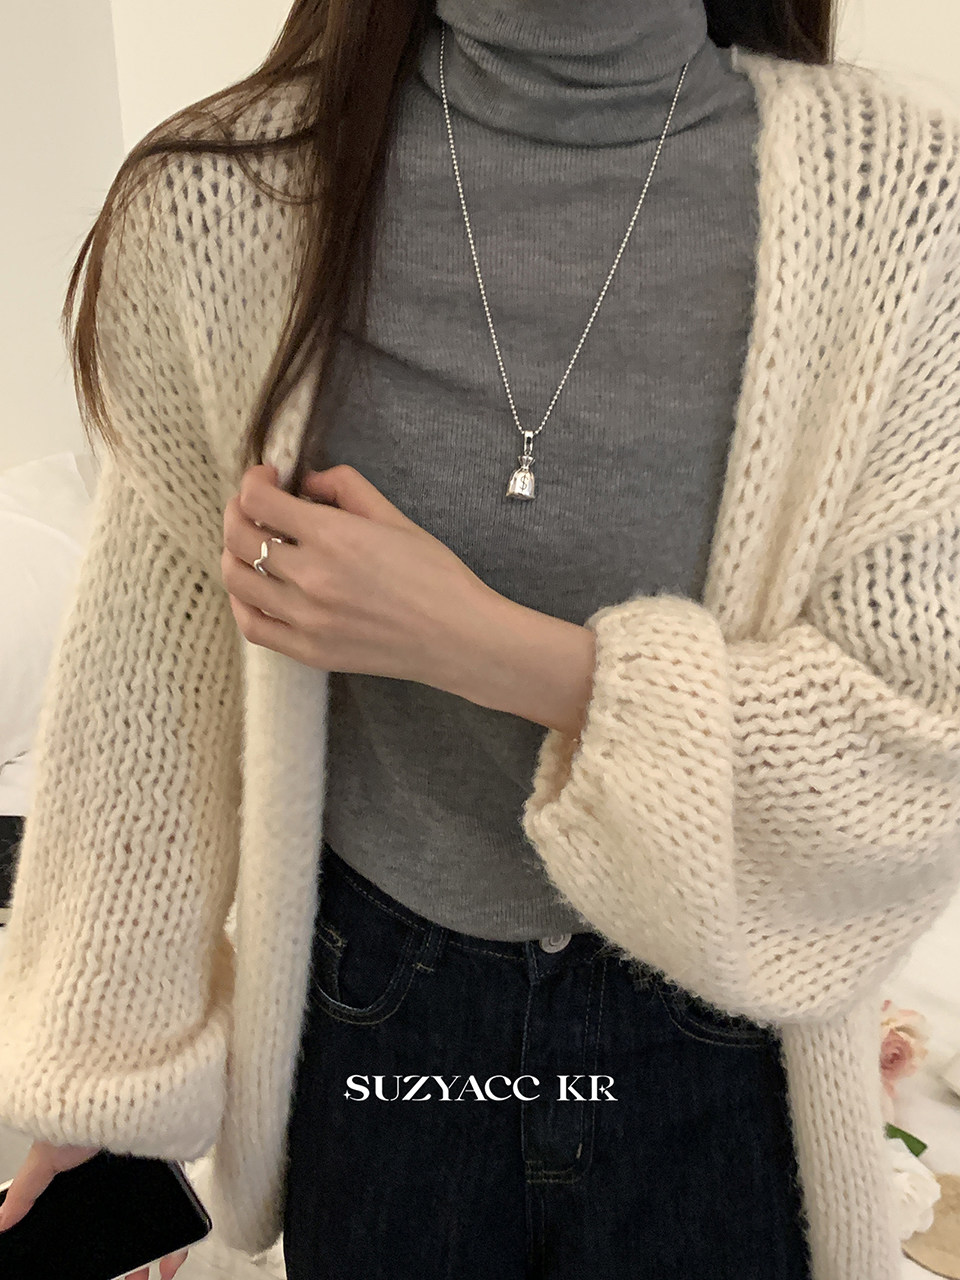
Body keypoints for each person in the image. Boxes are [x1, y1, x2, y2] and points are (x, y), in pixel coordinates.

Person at [1, 0, 959, 1277]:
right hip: (383, 1021)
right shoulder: (226, 201)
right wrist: (103, 1068)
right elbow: (157, 662)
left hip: (723, 1042)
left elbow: (918, 737)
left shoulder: (901, 202)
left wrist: (486, 645)